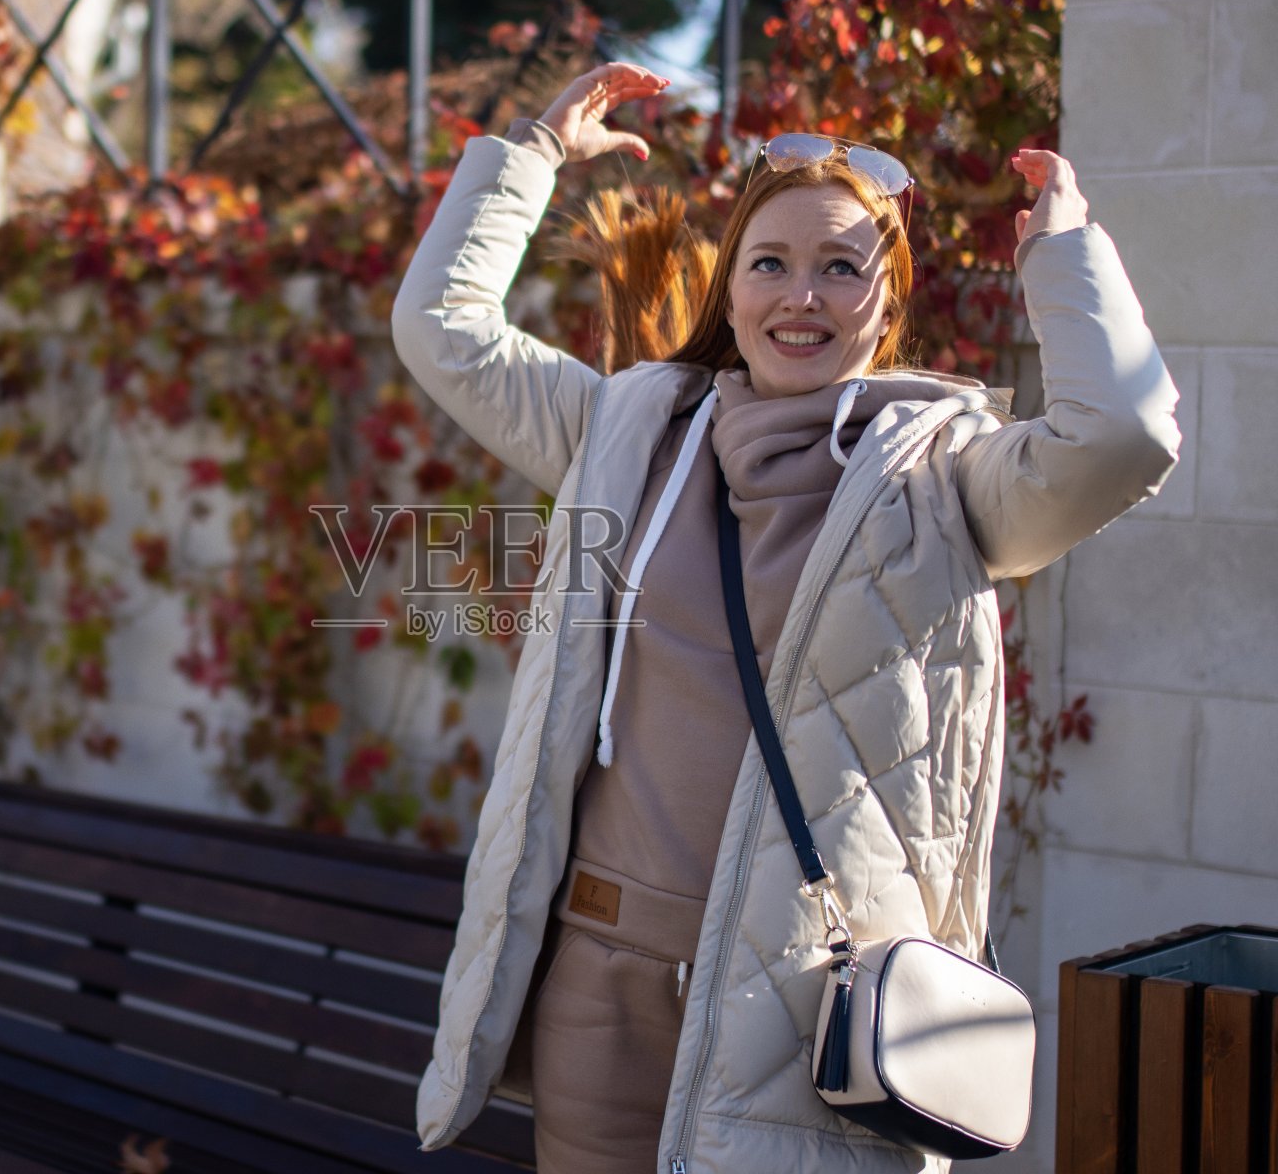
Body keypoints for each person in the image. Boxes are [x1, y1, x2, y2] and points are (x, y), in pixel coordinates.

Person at [390, 61, 1179, 1174]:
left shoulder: (948, 482)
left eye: (839, 267)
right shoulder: (629, 431)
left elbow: (1122, 438)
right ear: (732, 288)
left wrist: (1062, 256)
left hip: (802, 1006)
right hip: (600, 982)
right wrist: (524, 159)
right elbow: (442, 329)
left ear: (887, 301)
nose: (800, 295)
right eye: (770, 263)